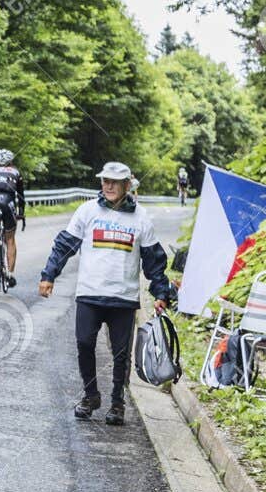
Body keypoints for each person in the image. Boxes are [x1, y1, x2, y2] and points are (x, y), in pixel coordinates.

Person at [37, 162, 176, 426]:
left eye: (115, 182)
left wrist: (160, 291)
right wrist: (48, 275)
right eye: (105, 181)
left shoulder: (141, 218)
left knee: (121, 353)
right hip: (90, 293)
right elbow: (65, 245)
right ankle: (91, 395)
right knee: (84, 343)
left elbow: (154, 260)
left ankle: (117, 402)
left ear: (127, 184)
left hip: (123, 298)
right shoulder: (87, 211)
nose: (109, 186)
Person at [0, 148, 26, 288]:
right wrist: (21, 212)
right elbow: (20, 196)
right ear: (11, 161)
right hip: (8, 203)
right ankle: (10, 275)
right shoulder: (16, 172)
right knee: (10, 239)